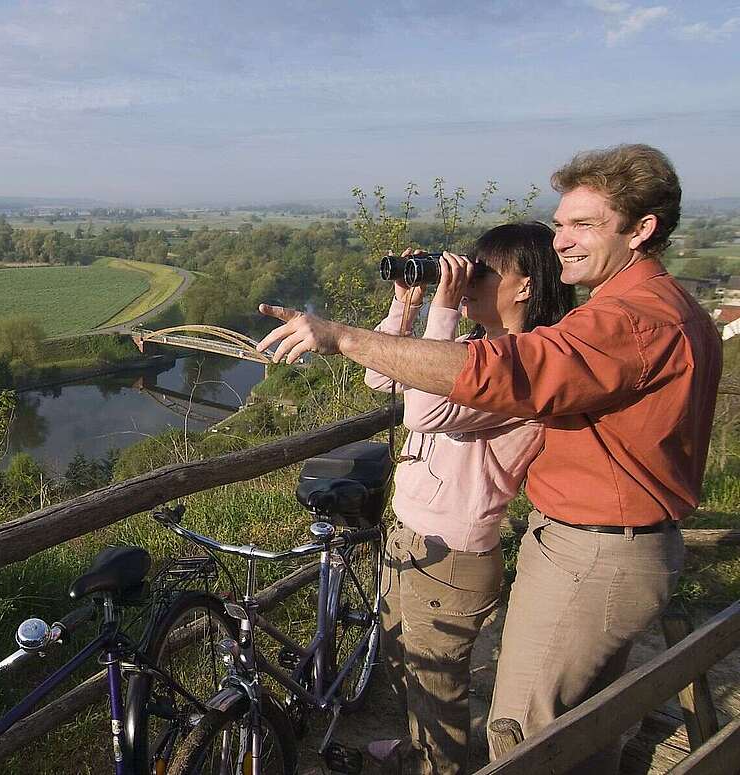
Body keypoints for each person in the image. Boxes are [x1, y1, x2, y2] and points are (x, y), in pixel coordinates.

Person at [256, 144, 722, 774]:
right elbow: (412, 378)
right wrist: (410, 307)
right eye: (559, 223)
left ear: (641, 230)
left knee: (526, 736)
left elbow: (484, 376)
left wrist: (340, 334)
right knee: (586, 722)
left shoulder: (629, 321)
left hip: (594, 552)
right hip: (604, 544)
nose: (562, 240)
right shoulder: (655, 307)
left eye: (583, 224)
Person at [365, 223, 575, 775]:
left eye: (485, 273)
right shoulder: (473, 350)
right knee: (405, 667)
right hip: (410, 534)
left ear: (525, 286)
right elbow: (380, 378)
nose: (470, 282)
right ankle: (417, 752)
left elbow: (423, 410)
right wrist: (404, 309)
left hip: (452, 552)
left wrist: (444, 309)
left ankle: (441, 766)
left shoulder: (524, 365)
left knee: (439, 692)